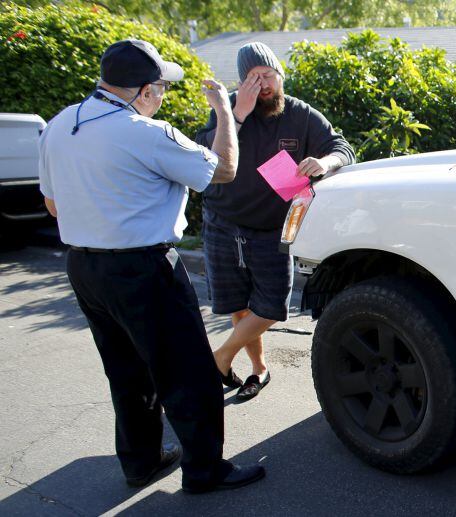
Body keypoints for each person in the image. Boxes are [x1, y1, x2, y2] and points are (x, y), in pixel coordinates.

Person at [38, 39, 265, 493]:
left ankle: (140, 462)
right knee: (188, 372)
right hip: (143, 268)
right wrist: (224, 112)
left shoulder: (62, 124)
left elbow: (53, 206)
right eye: (160, 87)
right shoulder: (145, 131)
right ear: (143, 91)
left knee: (126, 371)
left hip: (85, 267)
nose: (162, 96)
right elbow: (222, 171)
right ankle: (204, 471)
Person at [195, 42, 355, 402]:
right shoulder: (230, 110)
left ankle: (219, 356)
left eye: (267, 76)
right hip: (224, 222)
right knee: (238, 303)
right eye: (253, 79)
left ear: (280, 75)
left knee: (270, 306)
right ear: (241, 82)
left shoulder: (300, 114)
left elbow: (342, 148)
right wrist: (236, 115)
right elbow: (204, 153)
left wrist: (324, 163)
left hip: (271, 227)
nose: (262, 85)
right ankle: (259, 369)